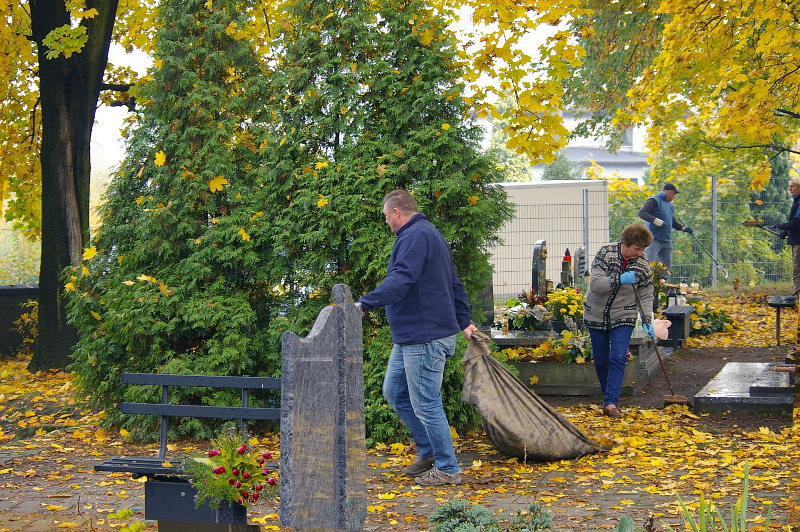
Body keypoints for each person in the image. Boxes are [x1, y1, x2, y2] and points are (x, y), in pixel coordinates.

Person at [357, 189, 477, 486]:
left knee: (426, 403)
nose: (386, 222)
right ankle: (429, 452)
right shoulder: (428, 234)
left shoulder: (414, 236)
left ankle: (448, 469)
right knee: (395, 391)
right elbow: (454, 284)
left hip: (425, 336)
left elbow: (400, 281)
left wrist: (364, 304)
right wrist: (463, 322)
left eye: (386, 216)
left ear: (396, 212)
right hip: (414, 335)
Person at [584, 224, 654, 419]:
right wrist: (619, 279)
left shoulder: (642, 264)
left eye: (642, 250)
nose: (639, 253)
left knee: (618, 356)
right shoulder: (605, 253)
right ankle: (609, 398)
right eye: (636, 249)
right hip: (596, 314)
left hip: (624, 315)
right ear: (625, 243)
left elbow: (647, 294)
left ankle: (611, 402)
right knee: (601, 359)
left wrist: (647, 319)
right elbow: (596, 285)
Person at [637, 183, 693, 277]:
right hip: (653, 240)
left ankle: (661, 285)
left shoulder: (670, 206)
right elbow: (642, 213)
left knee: (667, 266)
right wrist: (656, 221)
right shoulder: (654, 200)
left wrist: (683, 228)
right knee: (648, 264)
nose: (674, 197)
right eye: (674, 194)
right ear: (670, 192)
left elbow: (673, 222)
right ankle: (647, 285)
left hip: (666, 241)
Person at [774, 176, 800, 296]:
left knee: (797, 270)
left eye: (793, 186)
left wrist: (782, 226)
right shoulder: (796, 201)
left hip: (798, 241)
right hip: (795, 239)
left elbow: (796, 222)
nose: (790, 189)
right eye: (789, 186)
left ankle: (797, 296)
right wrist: (786, 232)